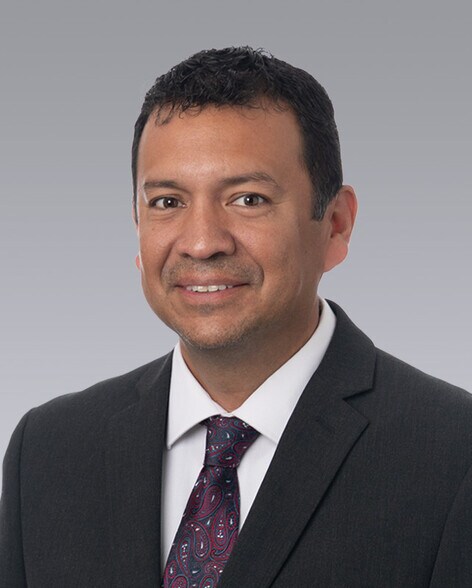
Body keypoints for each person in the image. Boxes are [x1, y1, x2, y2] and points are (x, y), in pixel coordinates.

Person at [1, 46, 471, 588]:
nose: (202, 243)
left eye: (248, 199)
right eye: (168, 202)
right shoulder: (48, 450)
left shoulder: (453, 455)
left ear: (336, 225)